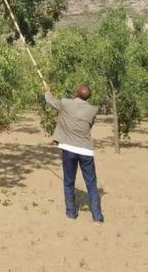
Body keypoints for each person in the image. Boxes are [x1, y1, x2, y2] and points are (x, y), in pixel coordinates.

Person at [44, 84, 104, 224]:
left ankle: (71, 214)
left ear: (76, 93)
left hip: (69, 149)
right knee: (91, 184)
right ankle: (97, 218)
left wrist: (47, 91)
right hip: (85, 151)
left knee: (69, 182)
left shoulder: (66, 103)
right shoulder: (93, 110)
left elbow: (51, 101)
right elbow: (89, 126)